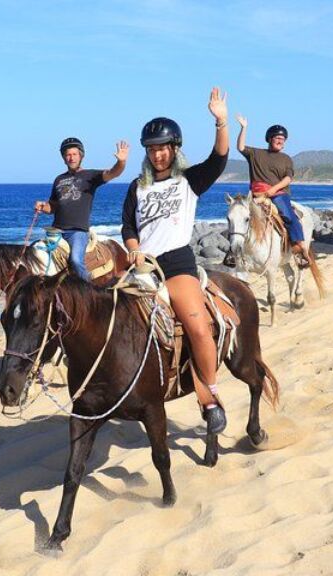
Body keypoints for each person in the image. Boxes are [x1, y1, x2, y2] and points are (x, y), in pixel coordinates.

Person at [121, 88, 229, 434]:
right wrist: (133, 248)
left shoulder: (188, 181)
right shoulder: (137, 186)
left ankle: (209, 398)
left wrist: (221, 120)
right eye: (152, 149)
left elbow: (219, 159)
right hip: (144, 266)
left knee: (198, 327)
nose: (158, 155)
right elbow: (128, 225)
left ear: (174, 149)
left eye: (163, 148)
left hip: (178, 264)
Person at [34, 137, 128, 281]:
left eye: (74, 154)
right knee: (37, 257)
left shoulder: (90, 176)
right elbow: (53, 206)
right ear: (64, 158)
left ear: (81, 156)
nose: (71, 158)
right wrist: (43, 206)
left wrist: (121, 162)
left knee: (76, 261)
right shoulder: (59, 179)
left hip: (77, 232)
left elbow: (112, 173)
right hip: (56, 231)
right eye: (68, 155)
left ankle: (87, 290)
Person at [235, 116, 308, 267]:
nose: (281, 141)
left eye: (283, 139)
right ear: (269, 139)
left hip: (278, 194)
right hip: (256, 194)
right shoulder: (256, 154)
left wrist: (270, 192)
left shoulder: (286, 158)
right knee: (237, 215)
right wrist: (244, 128)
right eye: (278, 138)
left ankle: (299, 248)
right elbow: (240, 147)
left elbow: (288, 179)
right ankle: (234, 251)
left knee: (288, 215)